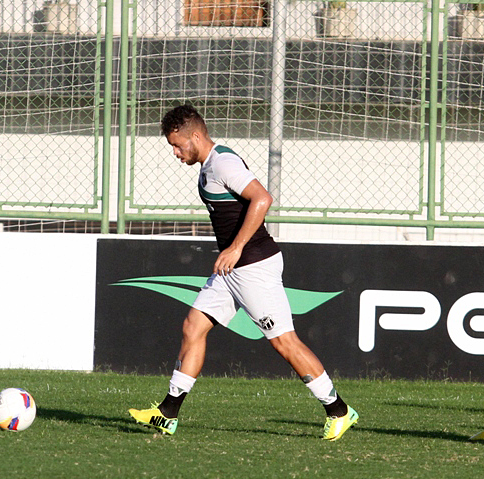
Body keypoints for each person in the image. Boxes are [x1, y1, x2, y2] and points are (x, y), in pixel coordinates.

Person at [128, 104, 358, 441]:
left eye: (177, 145)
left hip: (253, 267)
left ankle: (338, 410)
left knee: (284, 342)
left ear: (195, 136)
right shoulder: (209, 165)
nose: (175, 153)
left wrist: (235, 248)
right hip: (231, 270)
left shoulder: (223, 163)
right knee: (193, 327)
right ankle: (168, 413)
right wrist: (232, 254)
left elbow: (262, 198)